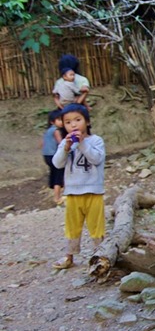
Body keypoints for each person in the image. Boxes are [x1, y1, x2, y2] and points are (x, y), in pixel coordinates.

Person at [51, 103, 106, 270]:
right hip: (73, 192)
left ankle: (100, 256)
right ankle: (69, 256)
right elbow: (57, 163)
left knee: (97, 226)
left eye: (77, 120)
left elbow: (96, 159)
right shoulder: (65, 144)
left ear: (87, 122)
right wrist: (66, 147)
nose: (73, 125)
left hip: (93, 191)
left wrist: (82, 143)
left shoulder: (96, 141)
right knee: (72, 226)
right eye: (68, 122)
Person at [41, 109, 65, 205]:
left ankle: (56, 194)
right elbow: (61, 143)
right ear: (52, 122)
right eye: (59, 120)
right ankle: (57, 197)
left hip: (46, 156)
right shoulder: (56, 131)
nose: (61, 122)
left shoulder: (47, 131)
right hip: (54, 155)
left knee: (53, 173)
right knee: (58, 175)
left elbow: (42, 143)